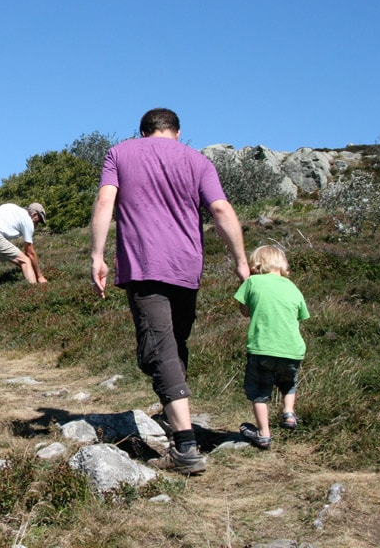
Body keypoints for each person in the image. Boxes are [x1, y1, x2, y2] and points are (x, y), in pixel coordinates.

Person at [90, 108, 249, 474]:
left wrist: (97, 256)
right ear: (177, 132)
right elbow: (221, 209)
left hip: (145, 266)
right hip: (187, 266)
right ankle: (173, 411)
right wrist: (240, 262)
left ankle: (185, 447)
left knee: (159, 351)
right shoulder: (197, 160)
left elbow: (104, 202)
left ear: (143, 131)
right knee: (172, 345)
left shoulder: (120, 153)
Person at [234, 245, 309, 449]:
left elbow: (245, 311)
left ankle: (264, 434)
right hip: (292, 350)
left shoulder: (252, 282)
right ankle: (289, 413)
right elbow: (302, 315)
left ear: (256, 264)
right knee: (289, 382)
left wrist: (243, 280)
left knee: (259, 392)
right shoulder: (292, 287)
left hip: (262, 348)